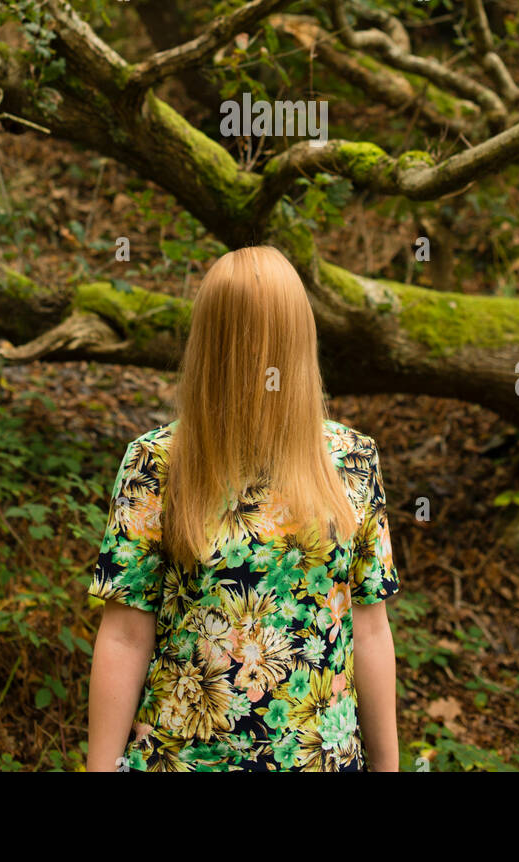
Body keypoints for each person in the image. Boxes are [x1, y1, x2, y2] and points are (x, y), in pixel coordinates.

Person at [86, 244, 400, 772]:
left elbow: (369, 629)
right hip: (187, 760)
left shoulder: (352, 460)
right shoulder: (157, 463)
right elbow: (123, 635)